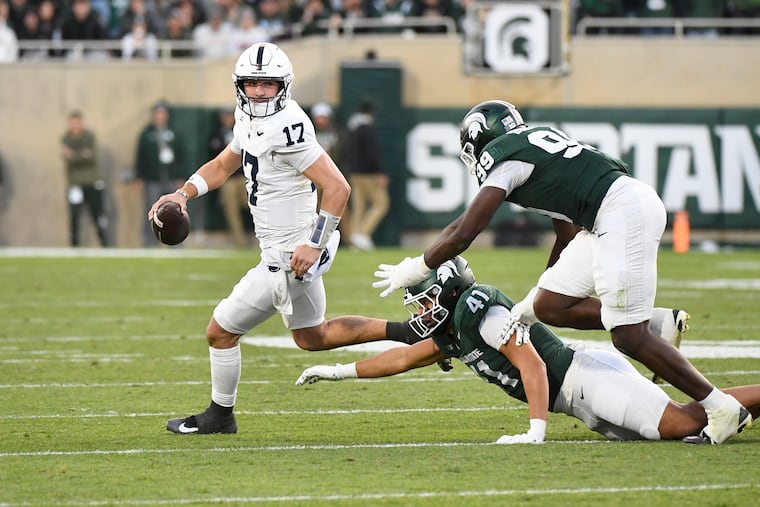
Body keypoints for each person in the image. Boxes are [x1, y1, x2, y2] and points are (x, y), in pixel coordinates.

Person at [372, 100, 752, 444]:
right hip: (609, 213)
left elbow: (465, 230)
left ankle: (719, 406)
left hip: (619, 213)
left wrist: (418, 266)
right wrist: (537, 295)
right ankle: (658, 323)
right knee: (549, 305)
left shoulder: (504, 158)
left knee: (627, 337)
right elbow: (566, 236)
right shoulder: (534, 144)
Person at [148, 42, 421, 435]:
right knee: (313, 336)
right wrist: (183, 193)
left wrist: (314, 243)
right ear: (240, 85)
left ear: (284, 85)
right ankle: (409, 331)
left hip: (289, 255)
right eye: (252, 83)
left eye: (268, 84)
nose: (259, 91)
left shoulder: (288, 125)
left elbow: (338, 188)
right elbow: (224, 164)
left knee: (220, 332)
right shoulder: (246, 115)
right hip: (289, 250)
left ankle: (220, 416)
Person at [299, 257, 760, 444]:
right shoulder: (452, 331)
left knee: (682, 422)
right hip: (576, 398)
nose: (420, 310)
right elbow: (401, 357)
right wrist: (336, 371)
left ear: (448, 291)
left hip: (584, 379)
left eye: (424, 299)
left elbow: (533, 365)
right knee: (678, 429)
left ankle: (731, 401)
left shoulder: (479, 310)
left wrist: (535, 430)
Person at [135, 100, 187, 246]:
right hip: (153, 179)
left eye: (163, 113)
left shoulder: (174, 133)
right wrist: (139, 177)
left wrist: (180, 176)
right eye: (158, 113)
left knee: (174, 210)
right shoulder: (147, 134)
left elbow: (181, 156)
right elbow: (141, 157)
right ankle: (150, 241)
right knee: (152, 209)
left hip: (171, 178)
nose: (160, 116)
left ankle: (176, 240)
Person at [344, 99, 389, 250]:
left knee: (359, 207)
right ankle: (362, 234)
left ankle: (354, 239)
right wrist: (380, 172)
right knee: (381, 204)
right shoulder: (367, 128)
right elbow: (372, 153)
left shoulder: (352, 127)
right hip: (369, 174)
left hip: (354, 173)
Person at [60, 110, 109, 247]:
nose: (75, 126)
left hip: (92, 183)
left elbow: (90, 157)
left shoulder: (89, 137)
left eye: (77, 122)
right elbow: (69, 158)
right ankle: (74, 246)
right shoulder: (66, 138)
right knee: (74, 217)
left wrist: (74, 155)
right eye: (72, 123)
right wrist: (81, 154)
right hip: (75, 184)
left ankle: (105, 245)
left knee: (98, 215)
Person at [209, 106, 249, 248]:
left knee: (256, 205)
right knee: (232, 211)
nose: (228, 119)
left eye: (230, 115)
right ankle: (240, 241)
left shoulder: (243, 131)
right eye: (225, 116)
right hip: (228, 178)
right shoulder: (217, 135)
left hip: (244, 176)